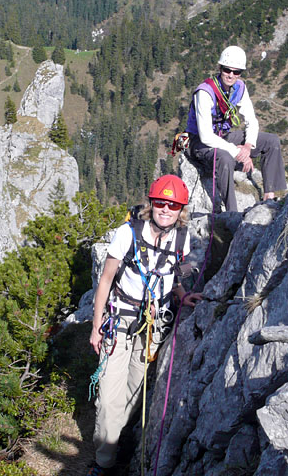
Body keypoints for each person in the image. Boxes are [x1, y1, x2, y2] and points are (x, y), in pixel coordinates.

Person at [88, 175, 202, 476]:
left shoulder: (181, 238)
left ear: (181, 209)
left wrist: (182, 295)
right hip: (121, 319)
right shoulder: (127, 234)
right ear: (151, 204)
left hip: (152, 324)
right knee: (109, 394)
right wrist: (96, 324)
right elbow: (106, 280)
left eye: (173, 205)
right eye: (160, 203)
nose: (165, 209)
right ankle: (104, 462)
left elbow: (172, 274)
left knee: (136, 388)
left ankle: (115, 439)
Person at [185, 45, 286, 212]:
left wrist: (248, 146)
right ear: (220, 68)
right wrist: (237, 152)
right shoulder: (205, 93)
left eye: (236, 72)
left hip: (223, 136)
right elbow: (205, 136)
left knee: (271, 141)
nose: (231, 75)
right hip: (200, 143)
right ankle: (232, 213)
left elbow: (251, 119)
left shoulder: (239, 88)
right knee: (225, 158)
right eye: (227, 70)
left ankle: (270, 195)